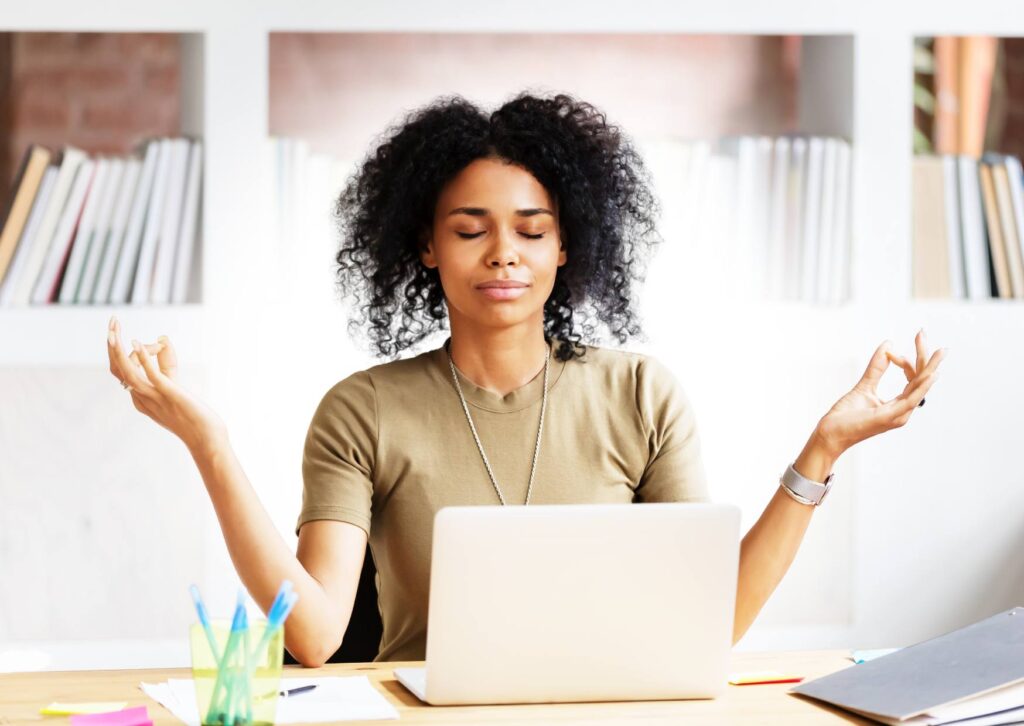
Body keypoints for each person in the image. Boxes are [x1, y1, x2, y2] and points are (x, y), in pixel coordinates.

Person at [106, 92, 945, 667]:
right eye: (470, 229)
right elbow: (318, 636)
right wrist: (209, 445)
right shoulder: (362, 410)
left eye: (531, 230)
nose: (503, 253)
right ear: (426, 247)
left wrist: (824, 446)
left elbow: (709, 624)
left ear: (566, 245)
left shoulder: (642, 396)